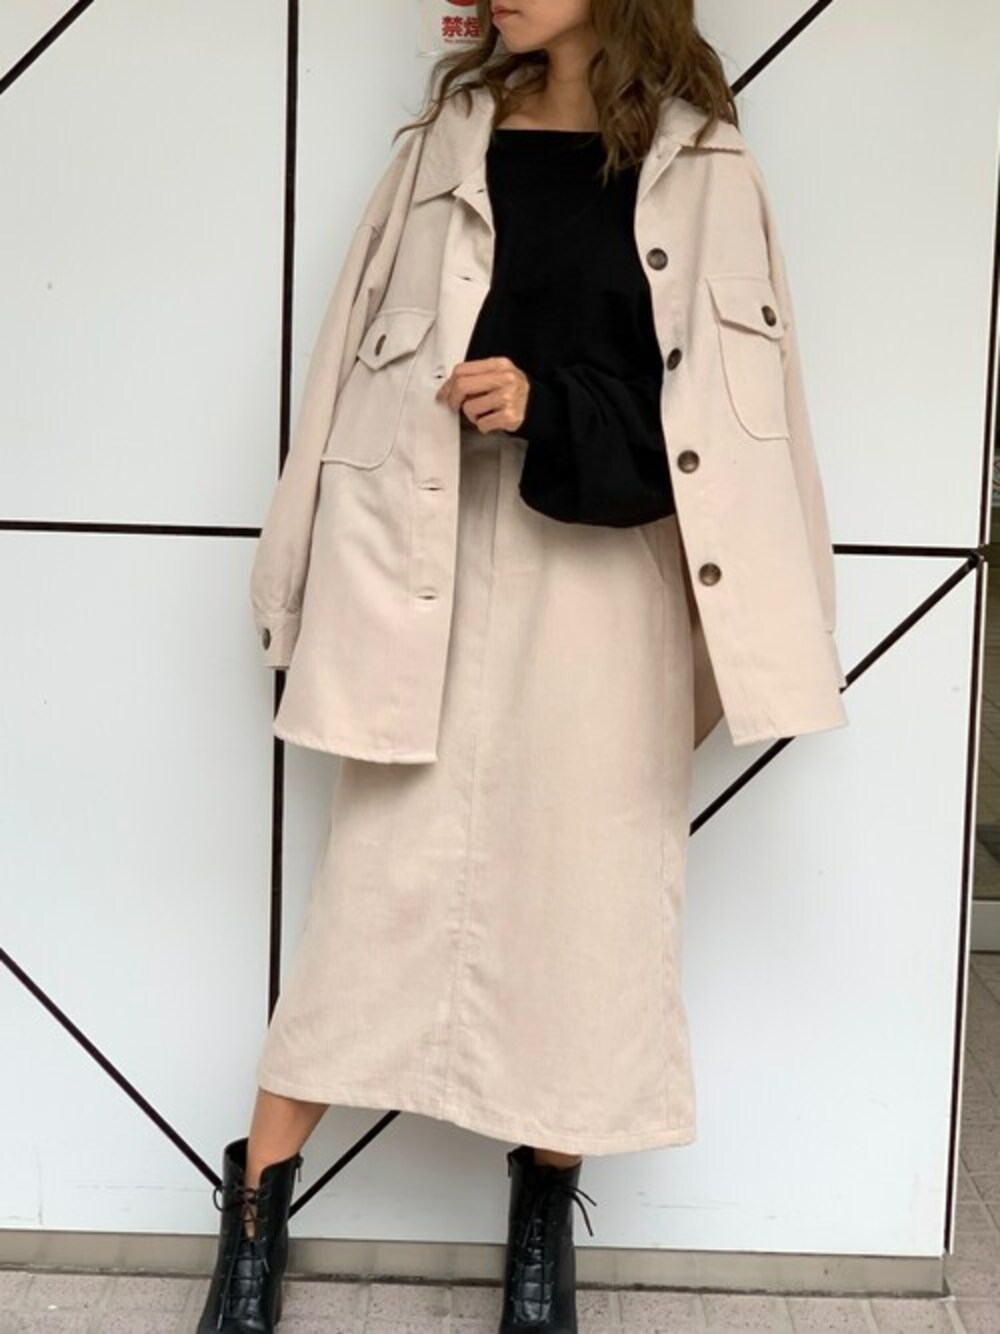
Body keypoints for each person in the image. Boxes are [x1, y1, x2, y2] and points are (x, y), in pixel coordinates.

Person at [197, 2, 847, 1330]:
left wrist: (548, 404)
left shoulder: (705, 164)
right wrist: (297, 569)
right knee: (375, 895)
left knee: (585, 908)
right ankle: (256, 1208)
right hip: (429, 553)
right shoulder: (446, 142)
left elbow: (729, 418)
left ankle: (542, 1222)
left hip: (608, 578)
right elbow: (346, 371)